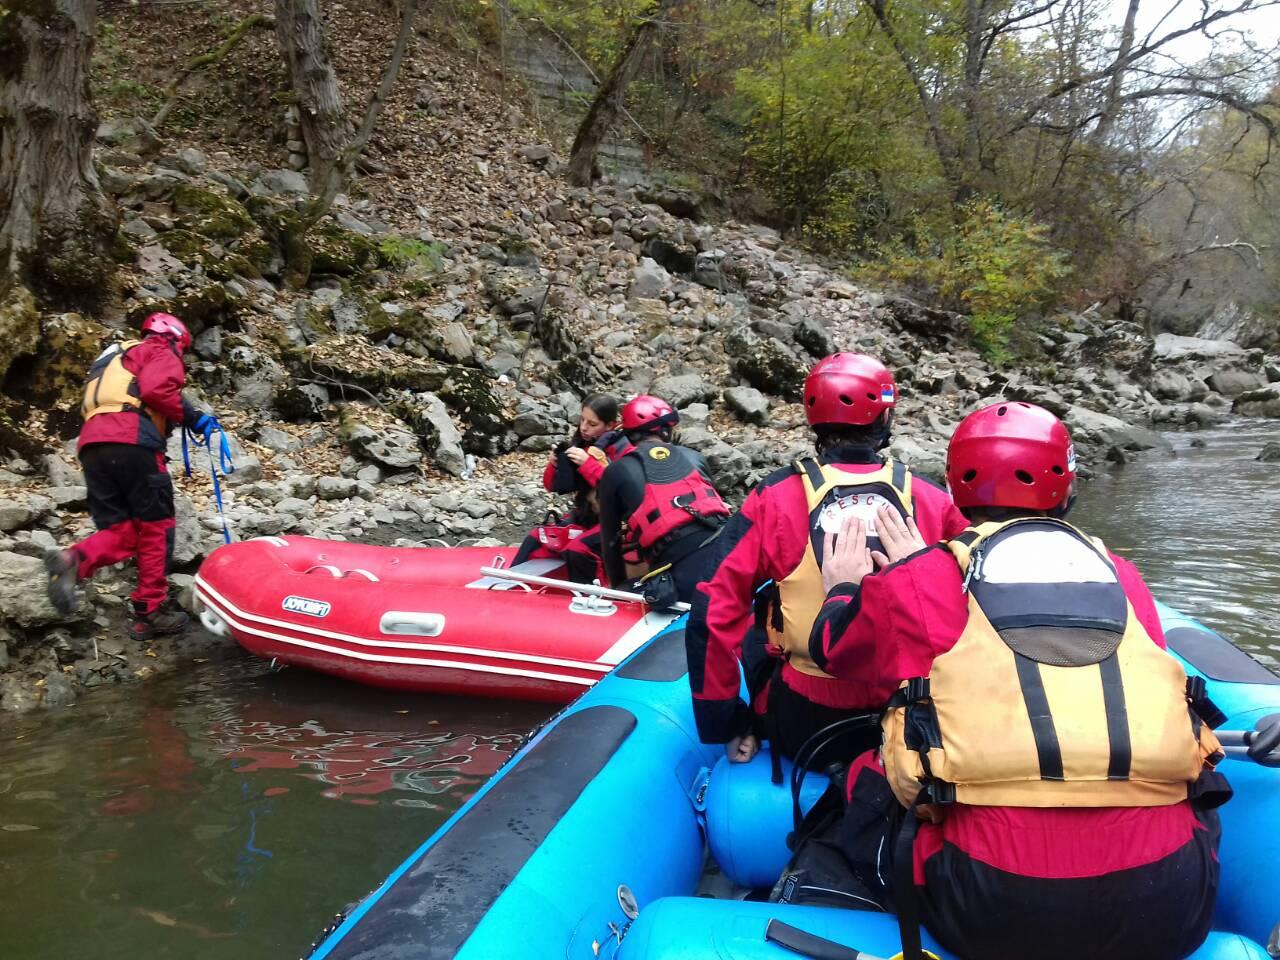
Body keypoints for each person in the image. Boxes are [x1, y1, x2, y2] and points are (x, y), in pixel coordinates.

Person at [807, 400, 1227, 960]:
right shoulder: (1122, 574)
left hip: (993, 911)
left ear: (957, 489)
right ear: (1066, 486)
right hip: (1173, 904)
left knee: (867, 775)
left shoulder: (922, 579)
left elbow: (833, 651)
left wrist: (848, 585)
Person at [686, 353, 968, 770]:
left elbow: (711, 612)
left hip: (807, 724)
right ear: (884, 419)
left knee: (756, 632)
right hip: (910, 719)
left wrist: (726, 722)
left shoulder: (776, 496)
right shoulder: (931, 498)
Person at [44, 313, 221, 640]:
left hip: (92, 446)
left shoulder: (114, 357)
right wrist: (189, 418)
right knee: (157, 528)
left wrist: (193, 416)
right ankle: (149, 614)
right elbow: (156, 391)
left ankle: (73, 560)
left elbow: (142, 390)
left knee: (122, 531)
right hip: (132, 443)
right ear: (174, 338)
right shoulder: (159, 349)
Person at [597, 394, 730, 606]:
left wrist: (618, 591)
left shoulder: (614, 472)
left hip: (683, 571)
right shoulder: (695, 457)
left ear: (630, 436)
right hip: (731, 550)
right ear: (665, 430)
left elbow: (609, 544)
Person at [511, 394, 631, 583]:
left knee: (577, 549)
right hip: (586, 514)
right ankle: (508, 585)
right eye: (582, 420)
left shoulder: (625, 451)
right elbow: (552, 487)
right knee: (535, 538)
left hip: (616, 521)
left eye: (592, 424)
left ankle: (585, 598)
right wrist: (555, 465)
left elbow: (620, 492)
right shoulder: (581, 444)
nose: (583, 427)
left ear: (610, 425)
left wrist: (587, 464)